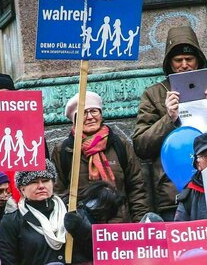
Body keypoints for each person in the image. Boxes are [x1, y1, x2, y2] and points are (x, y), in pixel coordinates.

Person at [134, 25, 207, 220]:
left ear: (198, 60)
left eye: (189, 59)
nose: (184, 65)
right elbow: (141, 145)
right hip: (176, 193)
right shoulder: (153, 94)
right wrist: (168, 119)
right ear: (169, 63)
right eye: (177, 60)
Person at [53, 91, 148, 222]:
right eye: (84, 113)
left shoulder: (119, 145)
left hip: (119, 229)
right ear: (74, 120)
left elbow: (136, 188)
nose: (90, 117)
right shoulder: (64, 150)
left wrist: (139, 224)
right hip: (84, 232)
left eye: (94, 111)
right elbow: (58, 192)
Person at [0, 161, 90, 265]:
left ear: (53, 183)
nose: (41, 186)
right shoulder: (12, 221)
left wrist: (82, 230)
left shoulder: (74, 212)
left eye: (45, 181)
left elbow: (95, 253)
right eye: (33, 182)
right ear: (22, 189)